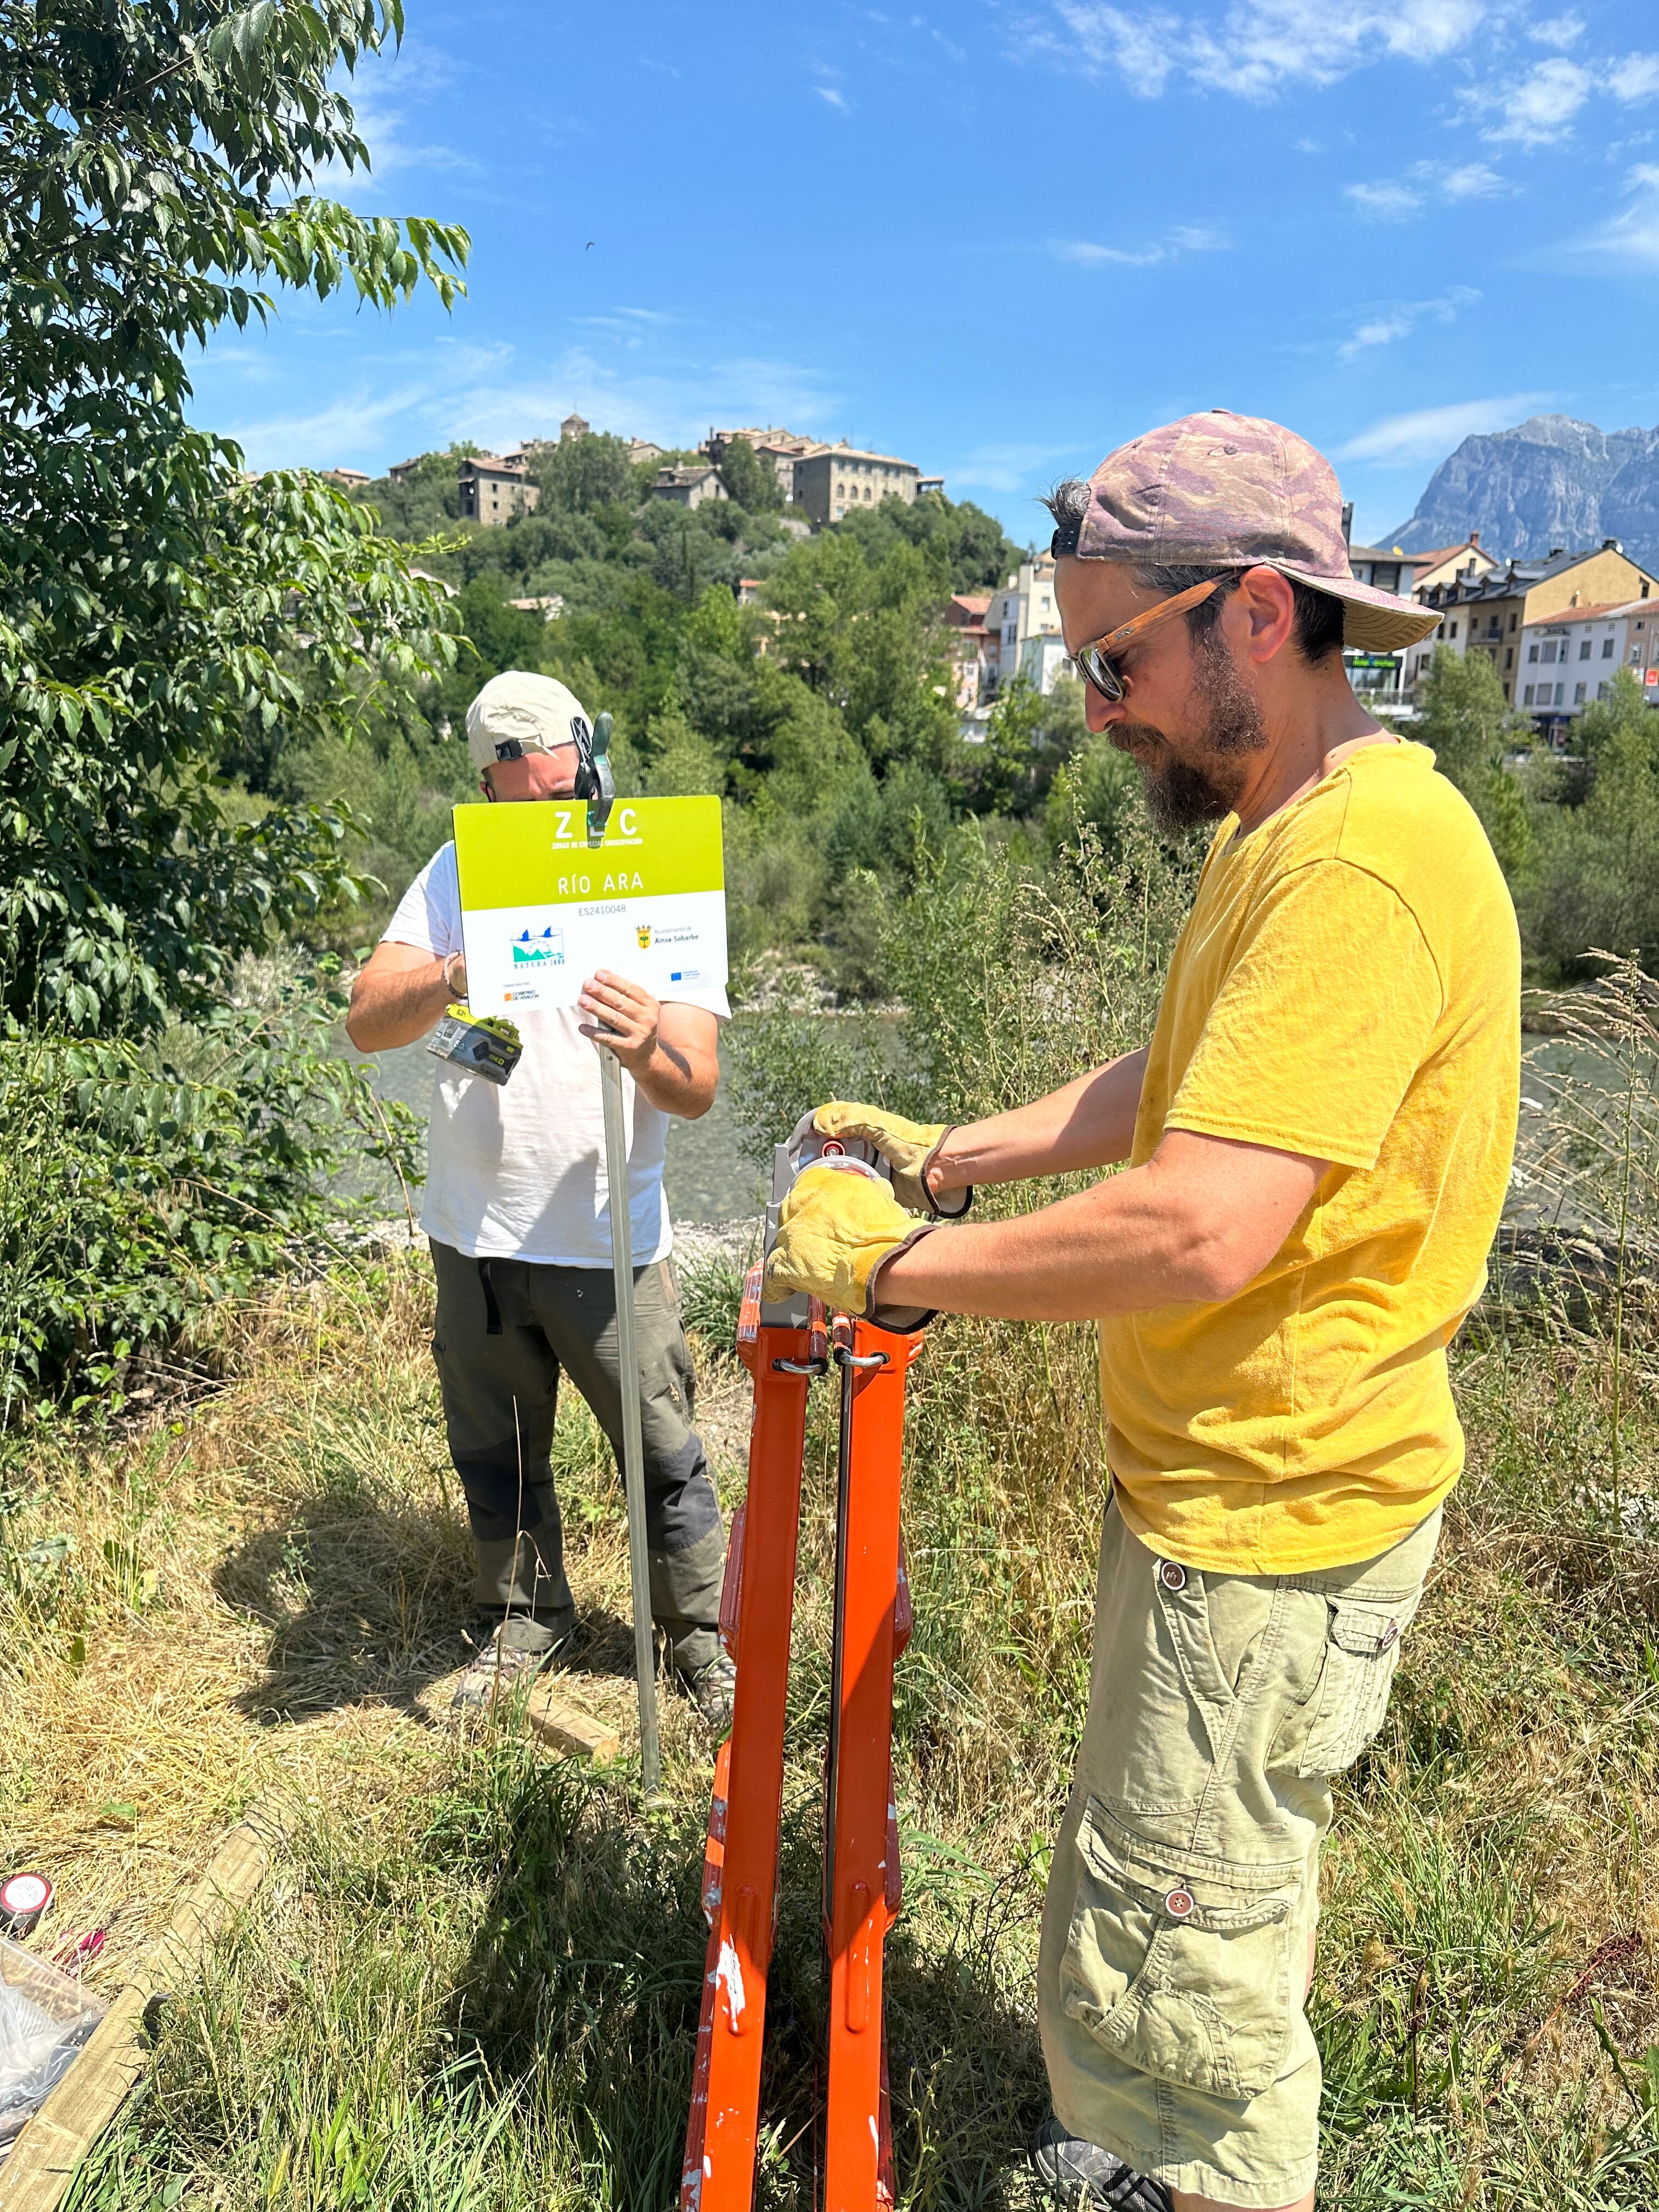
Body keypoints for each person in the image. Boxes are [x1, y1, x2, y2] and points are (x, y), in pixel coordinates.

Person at [765, 411, 1520, 2212]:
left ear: (1255, 613)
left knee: (1177, 1988)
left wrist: (887, 1268)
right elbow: (1178, 1085)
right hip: (1233, 1509)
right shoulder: (1292, 826)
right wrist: (957, 1155)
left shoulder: (1351, 868)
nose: (1095, 707)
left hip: (1265, 1535)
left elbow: (1196, 1226)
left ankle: (1183, 2177)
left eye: (1116, 660)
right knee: (1194, 1933)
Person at [347, 670, 735, 1728]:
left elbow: (695, 1091)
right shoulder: (455, 868)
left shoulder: (658, 867)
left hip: (608, 1237)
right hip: (471, 1231)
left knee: (661, 1450)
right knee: (498, 1449)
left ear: (589, 763)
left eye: (563, 798)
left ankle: (700, 1637)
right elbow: (369, 1019)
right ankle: (525, 1617)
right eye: (516, 808)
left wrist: (649, 1043)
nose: (544, 822)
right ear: (484, 786)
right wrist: (452, 975)